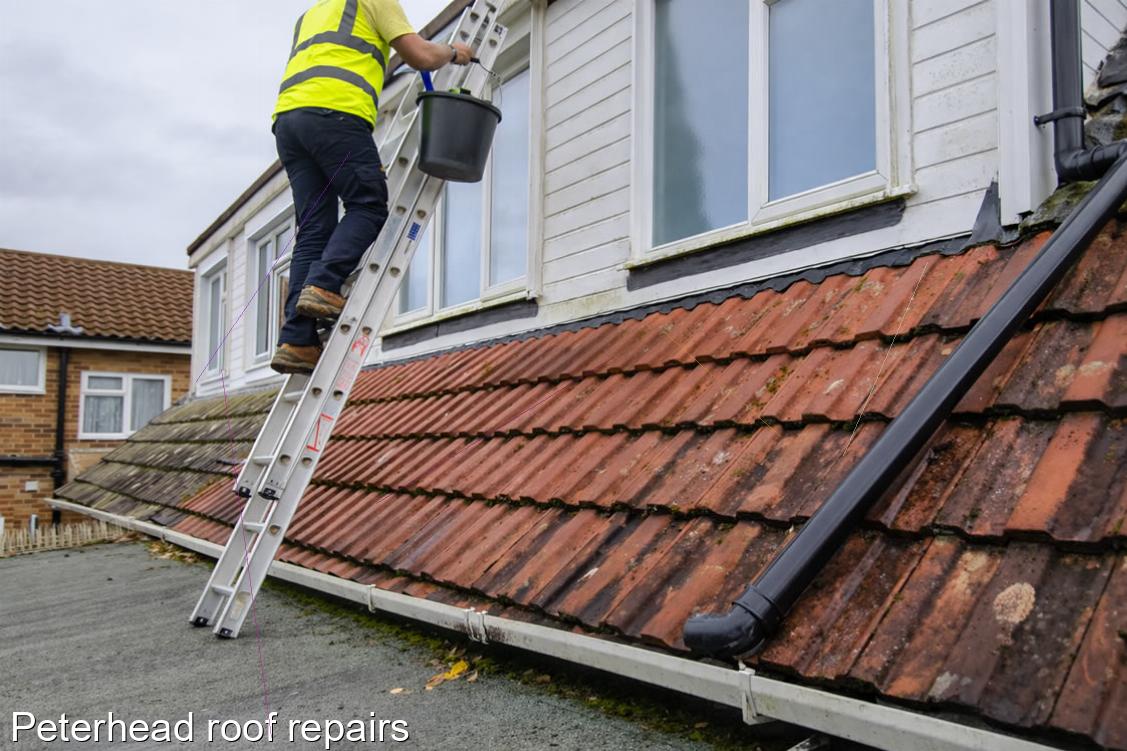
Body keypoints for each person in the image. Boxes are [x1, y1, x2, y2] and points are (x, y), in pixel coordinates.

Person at [270, 0, 473, 374]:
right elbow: (421, 56)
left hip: (289, 123)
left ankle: (296, 340)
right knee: (369, 204)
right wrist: (454, 52)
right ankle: (325, 284)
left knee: (314, 229)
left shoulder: (311, 15)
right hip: (336, 113)